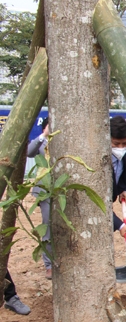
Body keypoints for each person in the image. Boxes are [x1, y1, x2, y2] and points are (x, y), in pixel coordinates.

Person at [26, 117, 52, 279]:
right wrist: (44, 135)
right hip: (45, 190)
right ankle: (49, 265)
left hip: (62, 189)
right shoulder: (41, 142)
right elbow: (29, 152)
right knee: (48, 227)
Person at [110, 116, 126, 237]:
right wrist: (120, 225)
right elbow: (98, 204)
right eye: (116, 144)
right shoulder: (98, 161)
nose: (120, 148)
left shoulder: (125, 149)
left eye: (125, 143)